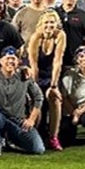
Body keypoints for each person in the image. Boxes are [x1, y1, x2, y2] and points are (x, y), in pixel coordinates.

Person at [0, 47, 45, 156]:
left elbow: (38, 96)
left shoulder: (25, 75)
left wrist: (31, 119)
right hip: (0, 118)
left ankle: (11, 141)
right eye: (7, 58)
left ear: (18, 61)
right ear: (1, 61)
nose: (10, 61)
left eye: (13, 58)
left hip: (18, 120)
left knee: (38, 149)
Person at [27, 10, 67, 150]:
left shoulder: (60, 36)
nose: (49, 25)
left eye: (52, 23)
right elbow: (33, 65)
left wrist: (54, 86)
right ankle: (36, 133)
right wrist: (35, 87)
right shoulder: (35, 37)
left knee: (54, 99)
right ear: (41, 25)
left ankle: (53, 137)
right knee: (37, 101)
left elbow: (57, 62)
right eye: (46, 23)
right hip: (38, 74)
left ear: (56, 24)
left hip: (52, 74)